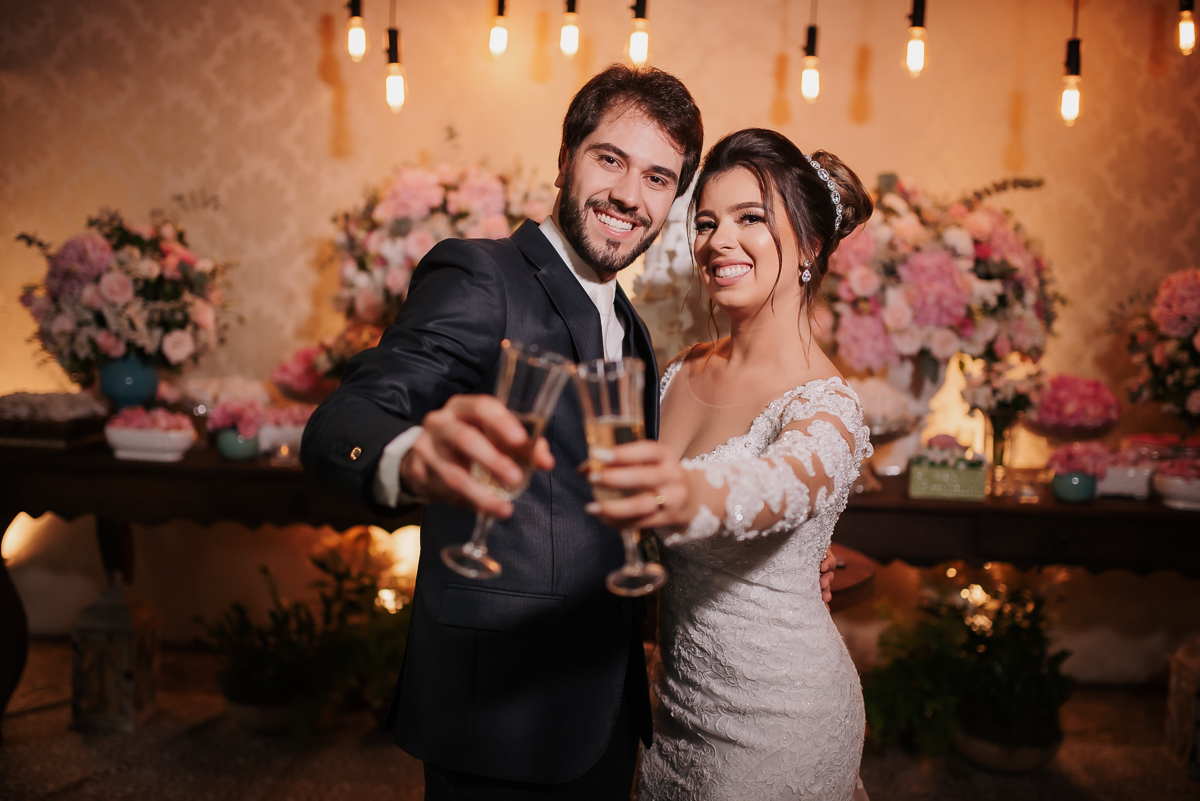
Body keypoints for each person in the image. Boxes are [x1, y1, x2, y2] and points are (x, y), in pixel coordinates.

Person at [586, 128, 875, 800]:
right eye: (708, 222)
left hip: (783, 724)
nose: (720, 241)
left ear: (811, 244)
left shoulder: (827, 405)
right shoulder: (681, 370)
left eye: (751, 218)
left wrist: (681, 493)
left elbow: (776, 486)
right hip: (674, 709)